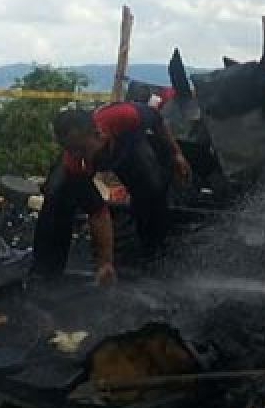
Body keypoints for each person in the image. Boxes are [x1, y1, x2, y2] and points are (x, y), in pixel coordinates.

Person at [32, 102, 191, 285]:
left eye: (82, 149)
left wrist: (177, 154)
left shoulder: (125, 116)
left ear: (98, 134)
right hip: (106, 153)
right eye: (71, 150)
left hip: (129, 147)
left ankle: (154, 253)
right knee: (57, 194)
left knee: (152, 189)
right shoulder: (74, 162)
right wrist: (105, 263)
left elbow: (157, 121)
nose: (78, 155)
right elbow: (97, 212)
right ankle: (46, 272)